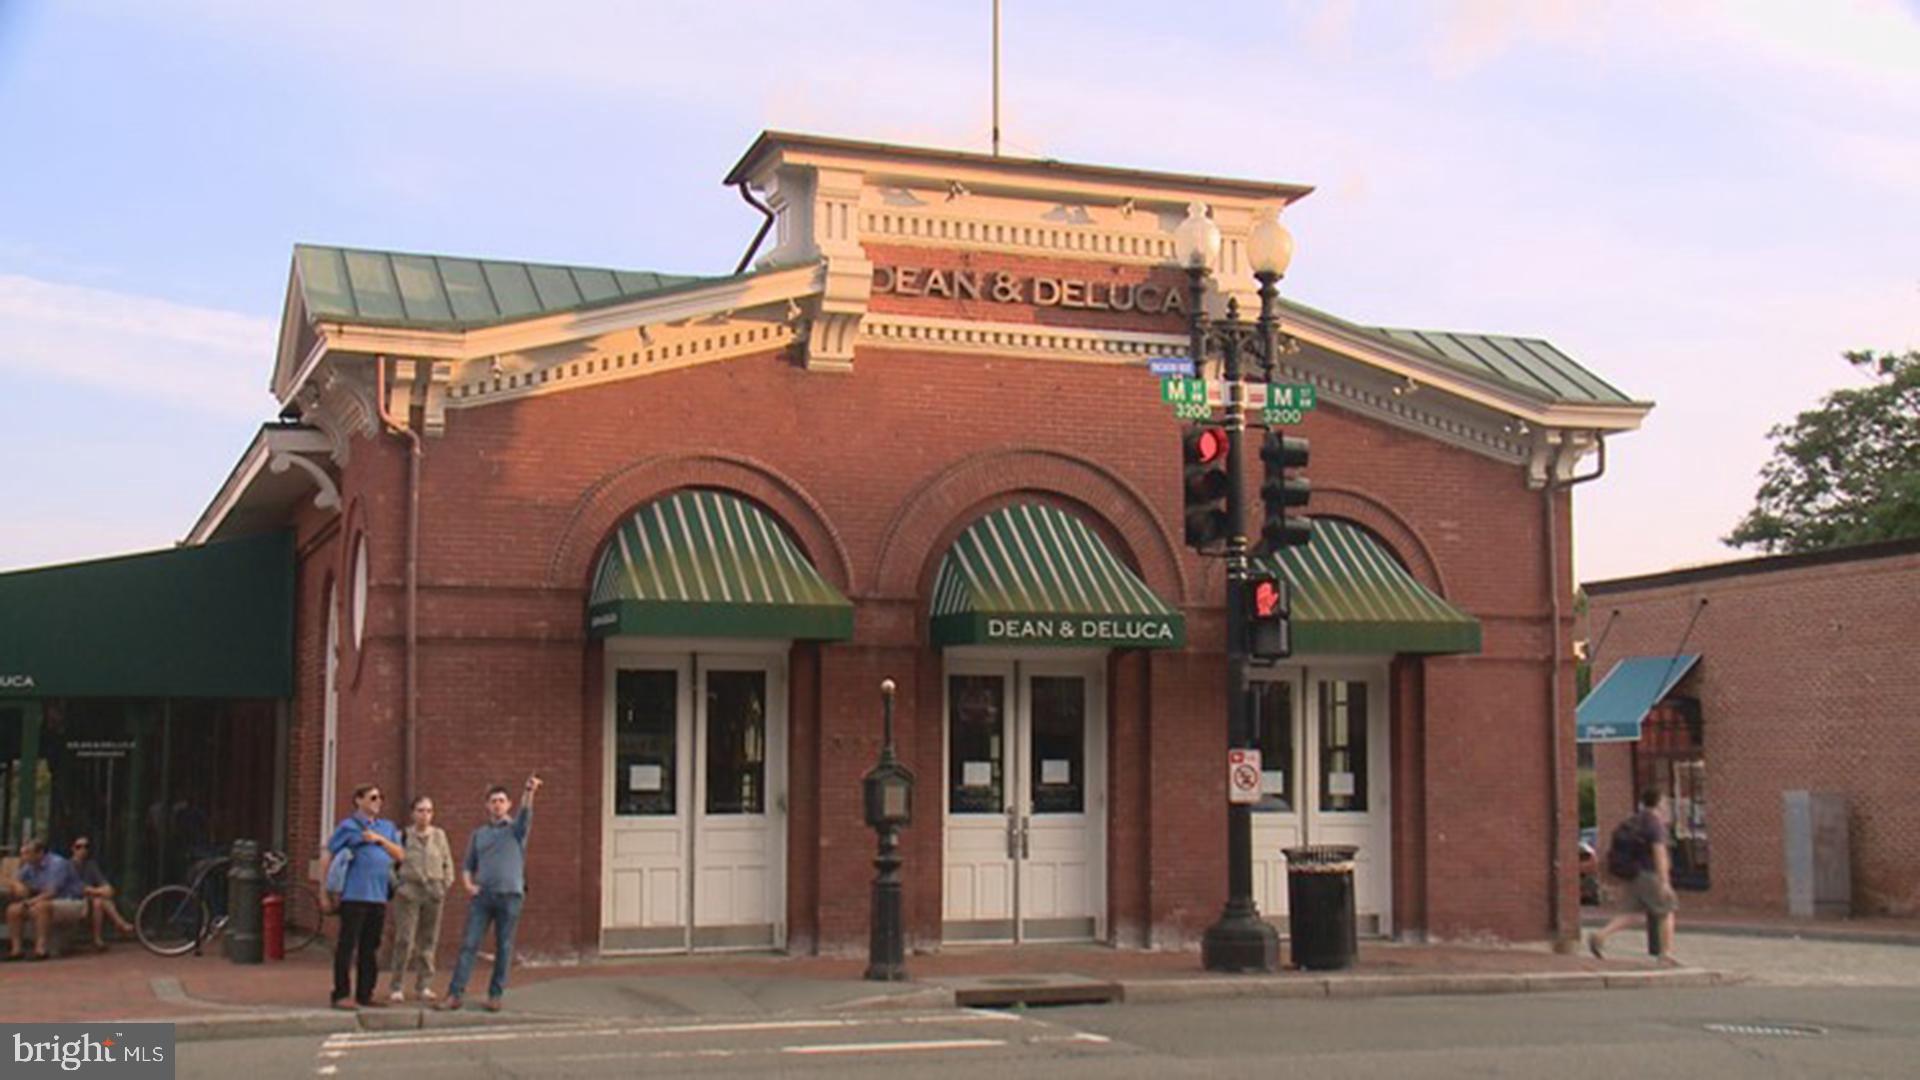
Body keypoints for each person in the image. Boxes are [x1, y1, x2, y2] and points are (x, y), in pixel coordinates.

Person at [442, 774, 541, 1013]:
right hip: (483, 897)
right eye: (493, 801)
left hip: (510, 896)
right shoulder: (479, 834)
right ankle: (455, 994)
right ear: (487, 805)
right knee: (469, 944)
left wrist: (529, 791)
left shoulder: (516, 830)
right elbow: (468, 864)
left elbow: (526, 814)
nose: (497, 804)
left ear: (508, 805)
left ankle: (495, 995)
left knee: (504, 947)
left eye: (502, 801)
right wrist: (468, 885)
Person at [323, 784, 406, 1009]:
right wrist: (325, 890)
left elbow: (400, 855)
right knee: (347, 945)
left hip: (378, 895)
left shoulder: (386, 827)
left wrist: (380, 840)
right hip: (354, 894)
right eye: (372, 798)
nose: (377, 801)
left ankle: (365, 993)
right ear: (358, 800)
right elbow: (328, 853)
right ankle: (341, 993)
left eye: (380, 797)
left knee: (371, 947)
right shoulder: (348, 827)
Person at [1588, 786, 1680, 965]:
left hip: (1632, 874)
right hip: (1649, 874)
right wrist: (1664, 882)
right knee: (1667, 911)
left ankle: (1600, 936)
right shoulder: (1654, 824)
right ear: (1659, 803)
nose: (1667, 806)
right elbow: (1659, 854)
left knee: (1632, 913)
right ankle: (1665, 954)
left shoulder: (1632, 821)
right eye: (1665, 803)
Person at [387, 795, 455, 1004]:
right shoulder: (403, 836)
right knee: (405, 939)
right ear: (412, 813)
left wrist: (445, 884)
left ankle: (424, 984)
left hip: (434, 889)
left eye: (428, 811)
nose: (425, 815)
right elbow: (390, 864)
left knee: (428, 939)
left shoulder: (439, 835)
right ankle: (397, 985)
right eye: (420, 810)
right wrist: (398, 886)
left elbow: (447, 861)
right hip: (409, 890)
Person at [5, 838, 88, 961]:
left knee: (42, 907)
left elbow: (52, 892)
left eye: (28, 853)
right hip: (43, 900)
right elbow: (14, 879)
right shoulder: (30, 865)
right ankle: (16, 950)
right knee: (13, 910)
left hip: (70, 901)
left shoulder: (58, 863)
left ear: (40, 853)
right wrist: (17, 884)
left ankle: (40, 949)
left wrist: (30, 902)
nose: (24, 857)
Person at [68, 836, 136, 950]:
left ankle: (99, 939)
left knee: (99, 902)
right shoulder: (67, 866)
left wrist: (94, 891)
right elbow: (78, 888)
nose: (83, 850)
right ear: (73, 849)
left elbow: (109, 889)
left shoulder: (91, 865)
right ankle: (119, 924)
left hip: (90, 899)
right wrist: (95, 891)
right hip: (73, 899)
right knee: (99, 900)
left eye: (86, 847)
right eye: (79, 847)